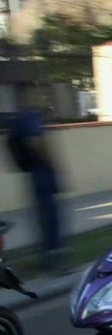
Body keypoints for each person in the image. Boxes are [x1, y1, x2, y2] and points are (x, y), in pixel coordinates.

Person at [5, 89, 65, 271]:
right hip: (42, 173)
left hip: (35, 174)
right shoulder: (30, 116)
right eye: (36, 91)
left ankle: (48, 258)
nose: (41, 95)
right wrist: (52, 165)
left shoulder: (23, 117)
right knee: (50, 219)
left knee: (45, 218)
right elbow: (36, 143)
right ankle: (53, 262)